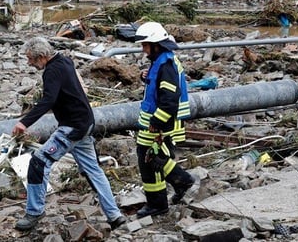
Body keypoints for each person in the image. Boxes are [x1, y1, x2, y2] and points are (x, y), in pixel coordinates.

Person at [11, 37, 124, 231]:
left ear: (42, 57)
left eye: (30, 59)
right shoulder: (64, 60)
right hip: (86, 124)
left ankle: (34, 212)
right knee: (93, 170)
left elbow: (48, 100)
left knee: (38, 163)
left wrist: (24, 122)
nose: (29, 63)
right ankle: (114, 216)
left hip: (71, 128)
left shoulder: (52, 71)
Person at [133, 21, 197, 218]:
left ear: (156, 44)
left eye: (145, 45)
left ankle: (174, 189)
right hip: (159, 122)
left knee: (150, 159)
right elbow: (159, 86)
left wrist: (157, 123)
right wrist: (147, 77)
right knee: (153, 158)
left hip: (160, 123)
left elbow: (169, 100)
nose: (143, 49)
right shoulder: (162, 60)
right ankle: (168, 193)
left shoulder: (165, 65)